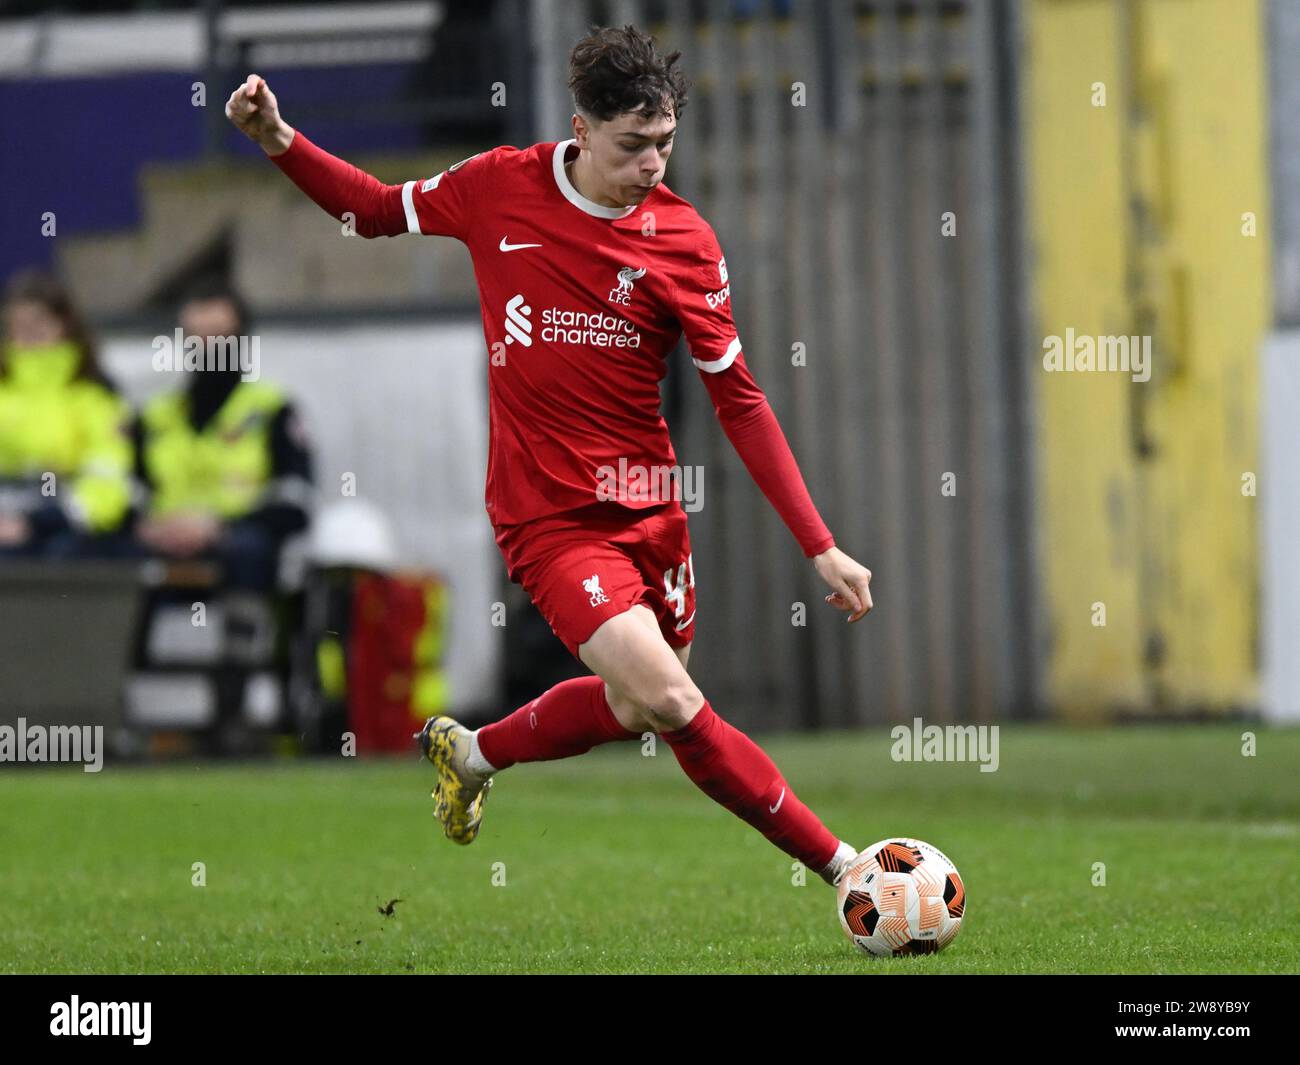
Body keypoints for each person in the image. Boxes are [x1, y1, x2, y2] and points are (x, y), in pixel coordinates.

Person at [224, 24, 874, 887]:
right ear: (581, 129)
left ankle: (475, 752)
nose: (653, 164)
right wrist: (280, 140)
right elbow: (376, 211)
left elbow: (740, 400)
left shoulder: (686, 242)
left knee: (638, 702)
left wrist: (817, 541)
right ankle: (850, 872)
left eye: (666, 143)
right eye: (633, 145)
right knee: (678, 704)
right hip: (547, 515)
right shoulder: (499, 188)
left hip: (648, 503)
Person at [132, 277, 313, 592]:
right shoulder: (155, 416)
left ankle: (244, 642)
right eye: (195, 337)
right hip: (160, 542)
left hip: (234, 545)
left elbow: (296, 501)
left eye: (219, 336)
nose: (207, 347)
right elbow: (127, 493)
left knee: (250, 550)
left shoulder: (271, 409)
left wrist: (217, 527)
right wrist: (149, 528)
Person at [0, 270, 132, 557]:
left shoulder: (96, 395)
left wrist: (49, 519)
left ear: (64, 325)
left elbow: (109, 475)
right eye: (17, 325)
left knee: (61, 556)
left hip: (66, 527)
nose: (28, 333)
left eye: (38, 322)